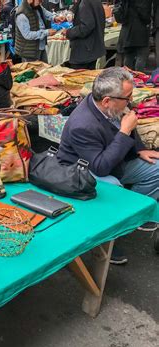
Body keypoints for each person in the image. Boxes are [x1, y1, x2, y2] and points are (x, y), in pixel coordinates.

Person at [58, 67, 158, 240]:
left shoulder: (110, 105)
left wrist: (139, 149)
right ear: (106, 100)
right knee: (113, 185)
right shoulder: (82, 124)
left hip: (112, 160)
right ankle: (108, 234)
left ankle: (131, 214)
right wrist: (124, 132)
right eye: (128, 97)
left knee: (156, 168)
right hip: (81, 171)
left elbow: (128, 126)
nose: (131, 100)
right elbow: (101, 167)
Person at [61, 0, 105, 70]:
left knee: (79, 78)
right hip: (92, 48)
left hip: (84, 51)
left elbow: (86, 27)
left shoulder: (85, 3)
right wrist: (71, 12)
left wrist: (68, 32)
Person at [114, 0, 153, 72]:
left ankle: (128, 77)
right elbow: (145, 16)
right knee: (141, 56)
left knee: (129, 56)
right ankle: (138, 78)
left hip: (127, 30)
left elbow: (119, 15)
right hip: (140, 31)